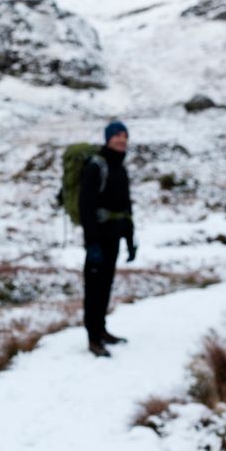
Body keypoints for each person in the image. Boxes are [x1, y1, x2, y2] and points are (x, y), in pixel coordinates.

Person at [79, 120, 136, 358]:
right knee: (94, 288)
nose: (121, 139)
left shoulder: (120, 168)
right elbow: (86, 206)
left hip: (113, 238)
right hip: (98, 239)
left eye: (124, 136)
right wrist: (91, 242)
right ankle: (93, 338)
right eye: (117, 135)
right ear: (108, 138)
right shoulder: (96, 166)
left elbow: (125, 207)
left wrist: (131, 240)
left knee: (105, 286)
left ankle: (101, 330)